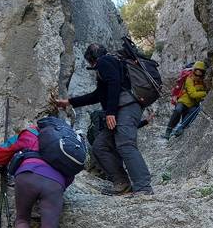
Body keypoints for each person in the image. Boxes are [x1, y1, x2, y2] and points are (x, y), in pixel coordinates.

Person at [55, 44, 153, 196]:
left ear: (91, 59)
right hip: (122, 108)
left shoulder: (105, 61)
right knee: (100, 146)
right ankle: (122, 183)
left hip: (126, 107)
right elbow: (97, 95)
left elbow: (114, 83)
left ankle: (144, 187)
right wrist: (69, 102)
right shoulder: (110, 64)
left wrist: (110, 113)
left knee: (125, 143)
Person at [164, 61, 207, 140]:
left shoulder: (203, 82)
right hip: (183, 101)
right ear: (193, 71)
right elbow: (192, 94)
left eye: (199, 73)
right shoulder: (189, 79)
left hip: (193, 104)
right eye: (196, 73)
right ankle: (168, 131)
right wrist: (205, 93)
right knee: (178, 110)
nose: (197, 75)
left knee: (195, 111)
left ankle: (180, 128)